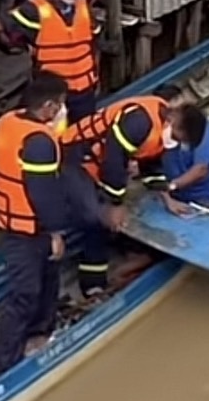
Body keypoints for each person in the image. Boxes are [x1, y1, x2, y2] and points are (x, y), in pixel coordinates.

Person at [0, 73, 73, 373]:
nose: (62, 111)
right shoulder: (39, 142)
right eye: (60, 105)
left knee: (48, 280)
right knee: (26, 293)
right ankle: (3, 363)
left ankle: (40, 333)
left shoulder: (8, 121)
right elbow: (43, 192)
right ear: (48, 106)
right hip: (29, 230)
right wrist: (56, 233)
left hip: (10, 221)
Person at [62, 86, 182, 295]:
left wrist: (166, 196)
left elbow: (151, 165)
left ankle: (129, 248)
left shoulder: (162, 130)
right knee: (95, 218)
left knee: (111, 209)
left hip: (97, 161)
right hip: (74, 157)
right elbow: (114, 158)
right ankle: (92, 285)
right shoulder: (140, 121)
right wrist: (114, 203)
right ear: (171, 122)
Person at [162, 102, 209, 211]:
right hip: (171, 189)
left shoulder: (204, 134)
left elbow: (200, 169)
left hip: (203, 194)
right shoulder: (162, 133)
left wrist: (171, 186)